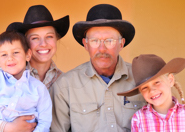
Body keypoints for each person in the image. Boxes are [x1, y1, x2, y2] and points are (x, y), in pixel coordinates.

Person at [51, 4, 146, 132]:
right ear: (85, 44)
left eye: (109, 40)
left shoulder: (142, 80)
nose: (102, 49)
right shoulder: (65, 86)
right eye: (95, 41)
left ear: (121, 44)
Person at [0, 5, 69, 132]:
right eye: (35, 38)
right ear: (25, 44)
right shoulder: (0, 78)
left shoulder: (65, 82)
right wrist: (6, 127)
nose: (43, 44)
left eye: (49, 36)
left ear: (56, 39)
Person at [0, 31, 52, 132]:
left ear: (28, 55)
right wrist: (4, 127)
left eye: (16, 52)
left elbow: (45, 121)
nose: (10, 58)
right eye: (4, 55)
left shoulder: (38, 88)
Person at [117, 54, 185, 131]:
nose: (152, 90)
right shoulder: (139, 119)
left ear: (170, 80)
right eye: (145, 88)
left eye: (157, 82)